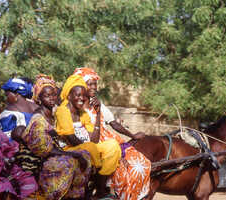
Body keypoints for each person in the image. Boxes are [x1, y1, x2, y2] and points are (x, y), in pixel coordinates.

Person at [74, 67, 151, 200]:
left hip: (109, 141)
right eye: (90, 84)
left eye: (95, 84)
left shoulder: (99, 105)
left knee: (140, 163)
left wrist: (132, 136)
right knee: (122, 169)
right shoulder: (76, 106)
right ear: (81, 86)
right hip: (92, 144)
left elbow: (114, 123)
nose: (94, 87)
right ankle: (103, 192)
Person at [22, 74, 92, 199]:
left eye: (53, 95)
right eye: (46, 96)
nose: (51, 98)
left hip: (55, 153)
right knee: (70, 161)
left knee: (85, 154)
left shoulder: (54, 114)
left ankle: (76, 195)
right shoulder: (38, 119)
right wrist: (73, 154)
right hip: (39, 162)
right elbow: (45, 151)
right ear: (39, 98)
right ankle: (56, 194)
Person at [55, 74, 122, 198]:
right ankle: (98, 179)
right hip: (68, 149)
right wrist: (91, 149)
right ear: (69, 96)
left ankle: (100, 187)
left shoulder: (83, 113)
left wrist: (97, 115)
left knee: (113, 145)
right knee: (90, 148)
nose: (82, 98)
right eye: (78, 95)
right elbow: (71, 139)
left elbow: (94, 139)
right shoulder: (62, 111)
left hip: (88, 148)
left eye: (84, 96)